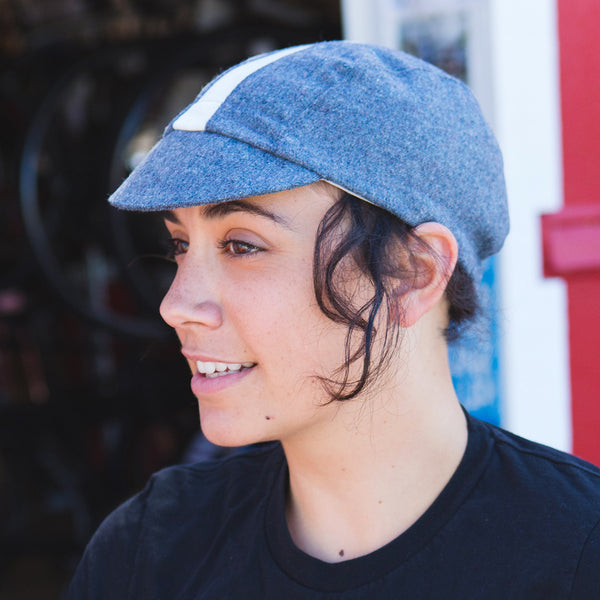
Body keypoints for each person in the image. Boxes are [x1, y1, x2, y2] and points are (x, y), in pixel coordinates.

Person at [66, 41, 600, 598]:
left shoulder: (577, 556)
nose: (175, 304)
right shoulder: (149, 549)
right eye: (180, 244)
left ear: (412, 273)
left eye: (242, 245)